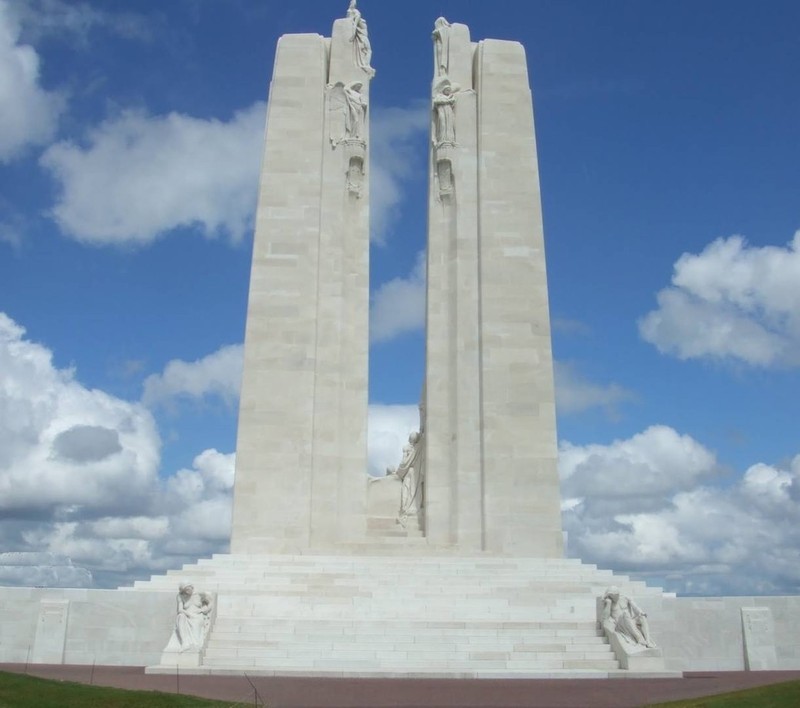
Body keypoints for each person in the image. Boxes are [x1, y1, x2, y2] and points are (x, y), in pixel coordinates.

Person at [174, 584, 213, 651]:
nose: (187, 592)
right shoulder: (180, 596)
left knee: (195, 639)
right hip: (187, 615)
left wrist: (204, 610)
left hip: (197, 616)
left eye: (188, 589)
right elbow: (180, 610)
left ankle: (194, 644)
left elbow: (210, 601)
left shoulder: (199, 594)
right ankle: (185, 643)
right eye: (185, 590)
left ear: (191, 587)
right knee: (180, 616)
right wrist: (189, 614)